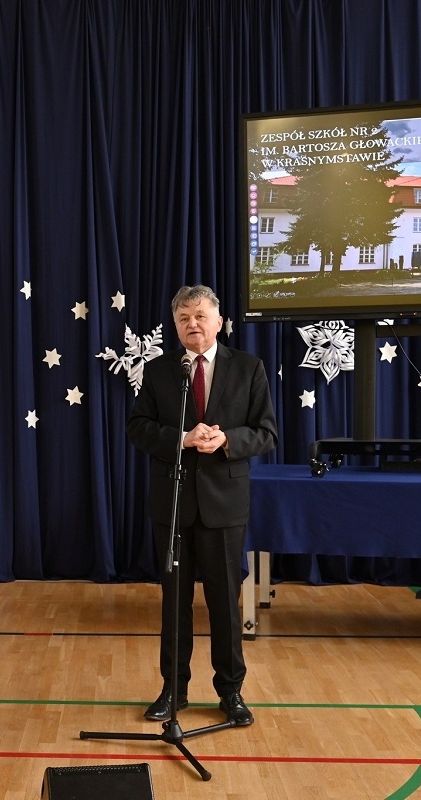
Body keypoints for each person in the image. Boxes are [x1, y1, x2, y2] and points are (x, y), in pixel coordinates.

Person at [127, 284, 278, 726]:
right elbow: (138, 427)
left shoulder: (248, 367)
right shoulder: (159, 371)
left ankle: (230, 692)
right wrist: (182, 439)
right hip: (173, 502)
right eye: (183, 319)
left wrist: (227, 439)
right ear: (175, 327)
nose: (192, 324)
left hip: (224, 505)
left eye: (199, 316)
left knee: (224, 604)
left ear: (218, 321)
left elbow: (267, 433)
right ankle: (173, 689)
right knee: (174, 602)